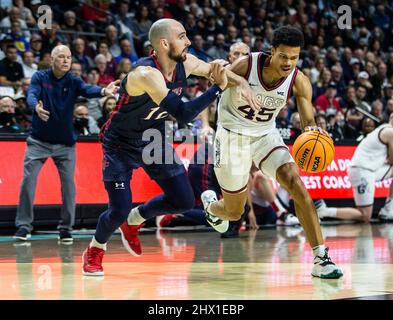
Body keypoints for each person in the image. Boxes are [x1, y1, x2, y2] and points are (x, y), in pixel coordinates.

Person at [82, 18, 259, 276]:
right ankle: (95, 249)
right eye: (183, 36)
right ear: (165, 43)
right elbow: (184, 114)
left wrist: (240, 83)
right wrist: (217, 89)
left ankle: (136, 218)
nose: (189, 42)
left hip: (153, 137)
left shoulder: (184, 63)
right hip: (120, 143)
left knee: (184, 200)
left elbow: (213, 70)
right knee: (118, 208)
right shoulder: (145, 74)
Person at [201, 26, 343, 279]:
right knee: (234, 212)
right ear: (272, 51)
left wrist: (314, 135)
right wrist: (239, 81)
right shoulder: (248, 64)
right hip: (232, 137)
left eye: (294, 57)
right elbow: (216, 78)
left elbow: (307, 121)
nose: (288, 62)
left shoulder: (299, 80)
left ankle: (321, 258)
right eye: (283, 56)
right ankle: (212, 206)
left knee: (297, 186)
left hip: (266, 135)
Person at [13, 45, 119, 242]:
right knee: (28, 181)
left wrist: (104, 90)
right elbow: (31, 94)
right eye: (61, 57)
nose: (65, 60)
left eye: (68, 57)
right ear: (52, 60)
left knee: (69, 186)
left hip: (65, 144)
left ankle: (65, 228)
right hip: (38, 141)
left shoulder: (73, 80)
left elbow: (87, 90)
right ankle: (24, 226)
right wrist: (35, 106)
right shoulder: (40, 77)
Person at [316, 113, 393, 222]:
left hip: (367, 170)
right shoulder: (390, 132)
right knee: (365, 215)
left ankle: (388, 210)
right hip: (362, 171)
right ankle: (324, 211)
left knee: (364, 214)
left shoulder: (384, 128)